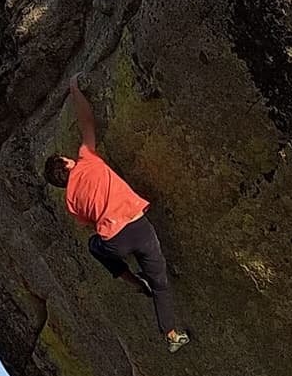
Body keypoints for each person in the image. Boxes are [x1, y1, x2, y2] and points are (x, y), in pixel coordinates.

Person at [43, 74, 190, 353]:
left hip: (115, 241)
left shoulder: (71, 200)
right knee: (160, 284)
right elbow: (87, 120)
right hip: (139, 227)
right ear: (65, 162)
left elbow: (88, 223)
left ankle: (131, 281)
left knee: (94, 246)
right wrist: (74, 89)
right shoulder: (87, 158)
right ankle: (171, 334)